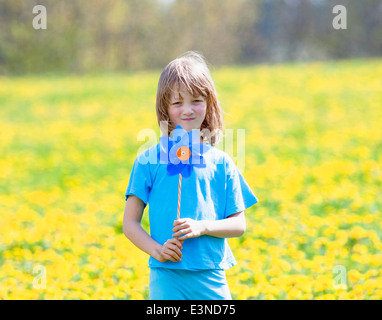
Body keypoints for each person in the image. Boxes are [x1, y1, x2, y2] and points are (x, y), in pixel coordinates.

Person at [123, 51, 258, 300]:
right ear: (165, 108)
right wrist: (157, 250)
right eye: (177, 103)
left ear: (209, 104)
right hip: (167, 273)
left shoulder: (222, 163)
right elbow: (129, 223)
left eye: (196, 100)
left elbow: (238, 225)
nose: (187, 110)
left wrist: (202, 227)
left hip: (211, 273)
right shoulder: (147, 160)